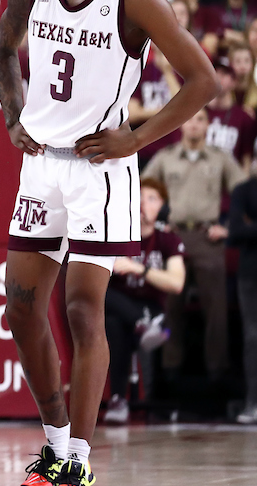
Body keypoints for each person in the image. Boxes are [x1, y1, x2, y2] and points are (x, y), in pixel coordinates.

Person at [0, 0, 216, 486]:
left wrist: (135, 139)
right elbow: (3, 49)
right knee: (22, 308)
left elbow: (203, 82)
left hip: (101, 169)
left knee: (83, 310)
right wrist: (12, 114)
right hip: (42, 167)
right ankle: (54, 451)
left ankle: (80, 470)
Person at [142, 108, 244, 380]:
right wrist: (155, 224)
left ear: (208, 125)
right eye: (188, 118)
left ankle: (217, 372)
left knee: (216, 308)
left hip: (206, 236)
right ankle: (170, 373)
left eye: (200, 119)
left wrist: (229, 228)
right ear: (181, 124)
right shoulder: (166, 158)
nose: (194, 125)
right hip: (173, 235)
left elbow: (246, 194)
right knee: (169, 306)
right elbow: (143, 188)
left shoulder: (220, 159)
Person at [104, 178, 185, 424]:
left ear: (162, 207)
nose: (143, 204)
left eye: (151, 199)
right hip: (119, 303)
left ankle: (119, 399)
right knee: (111, 313)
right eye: (138, 197)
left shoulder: (167, 240)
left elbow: (176, 283)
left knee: (117, 321)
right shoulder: (117, 232)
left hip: (151, 306)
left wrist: (139, 269)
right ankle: (118, 398)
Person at [229, 161, 257, 424]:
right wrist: (246, 227)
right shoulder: (243, 190)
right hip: (250, 272)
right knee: (253, 337)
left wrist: (252, 226)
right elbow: (236, 230)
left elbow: (246, 229)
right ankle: (252, 402)